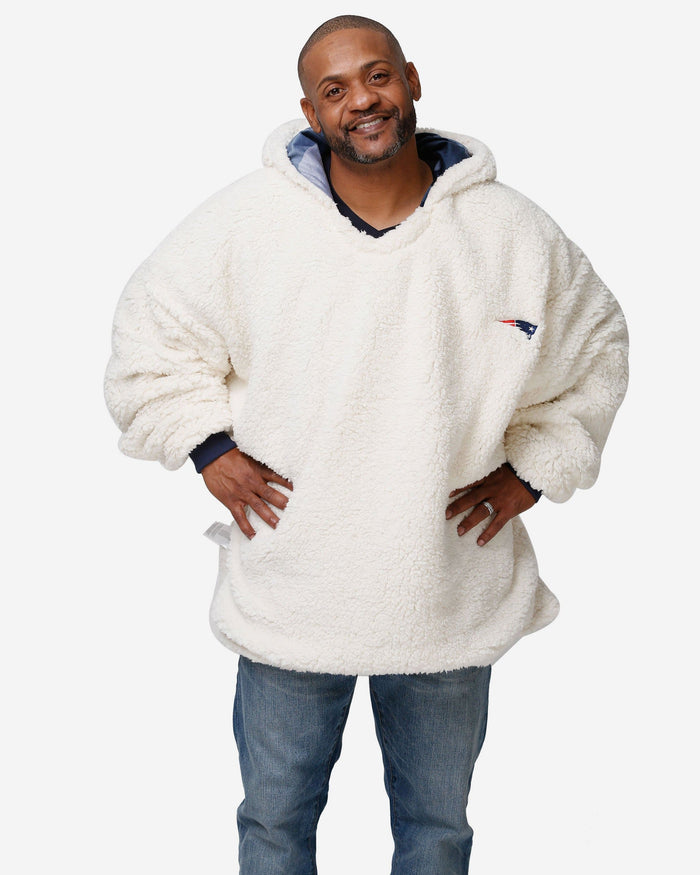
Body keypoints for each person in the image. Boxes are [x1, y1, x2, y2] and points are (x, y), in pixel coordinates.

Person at [104, 14, 628, 875]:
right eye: (335, 89)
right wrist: (205, 447)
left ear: (412, 79)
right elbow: (149, 335)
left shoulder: (511, 233)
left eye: (377, 76)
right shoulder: (246, 225)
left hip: (447, 587)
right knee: (275, 824)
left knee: (436, 830)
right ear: (310, 111)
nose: (362, 101)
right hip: (294, 586)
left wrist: (534, 472)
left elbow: (597, 350)